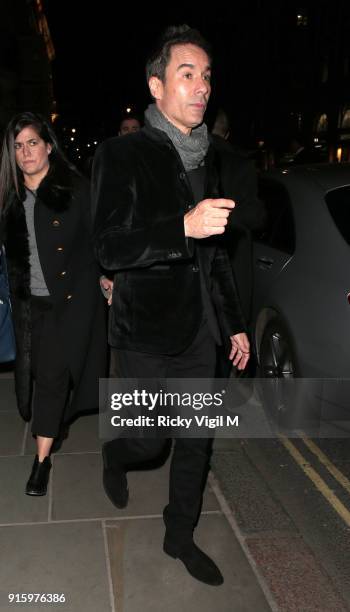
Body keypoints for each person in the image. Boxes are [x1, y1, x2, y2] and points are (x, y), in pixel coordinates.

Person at [92, 25, 250, 587]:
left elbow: (217, 258)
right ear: (156, 86)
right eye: (187, 74)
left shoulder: (209, 157)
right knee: (149, 437)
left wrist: (233, 324)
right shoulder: (122, 153)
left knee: (195, 442)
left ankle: (179, 534)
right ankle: (116, 453)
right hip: (145, 331)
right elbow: (108, 245)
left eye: (207, 75)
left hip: (200, 333)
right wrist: (180, 228)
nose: (201, 86)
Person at [0, 112, 107, 496]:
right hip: (30, 307)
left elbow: (101, 240)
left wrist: (108, 275)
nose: (25, 152)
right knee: (43, 378)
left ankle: (40, 462)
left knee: (50, 378)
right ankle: (54, 422)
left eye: (32, 142)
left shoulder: (75, 189)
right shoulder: (10, 198)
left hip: (72, 301)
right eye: (17, 146)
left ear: (48, 146)